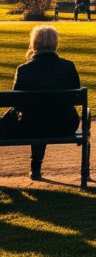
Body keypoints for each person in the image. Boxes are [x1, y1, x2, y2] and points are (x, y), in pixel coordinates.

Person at [0, 26, 80, 180]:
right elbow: (73, 96)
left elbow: (17, 104)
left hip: (30, 126)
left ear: (34, 43)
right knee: (44, 116)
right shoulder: (68, 67)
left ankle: (35, 167)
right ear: (55, 43)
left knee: (37, 117)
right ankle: (35, 167)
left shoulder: (24, 69)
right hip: (64, 125)